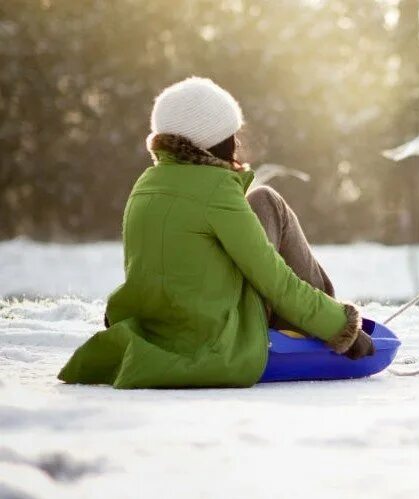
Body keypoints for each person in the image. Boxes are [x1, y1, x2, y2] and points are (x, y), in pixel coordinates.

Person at [58, 77, 373, 389]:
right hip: (216, 338)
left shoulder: (146, 184)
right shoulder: (216, 191)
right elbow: (275, 280)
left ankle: (317, 314)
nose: (236, 143)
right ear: (212, 139)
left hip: (164, 320)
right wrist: (340, 326)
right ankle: (321, 321)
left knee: (259, 202)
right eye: (230, 134)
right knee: (267, 201)